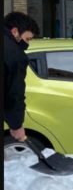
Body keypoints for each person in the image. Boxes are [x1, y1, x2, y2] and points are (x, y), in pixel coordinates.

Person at [4, 11, 40, 142]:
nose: (27, 44)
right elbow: (14, 94)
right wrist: (16, 125)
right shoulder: (14, 55)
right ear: (14, 31)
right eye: (27, 39)